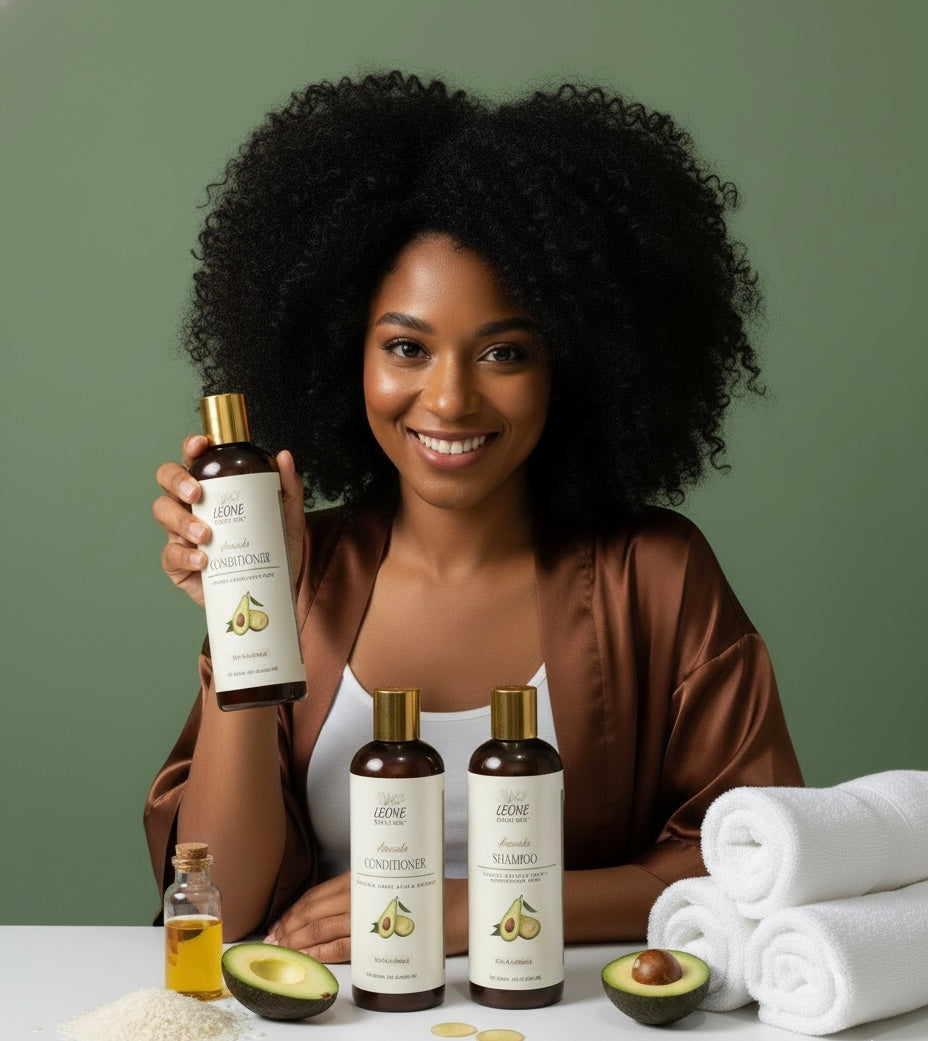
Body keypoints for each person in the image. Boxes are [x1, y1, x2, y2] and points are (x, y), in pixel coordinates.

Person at [146, 71, 803, 962]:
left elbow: (753, 864)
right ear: (349, 354)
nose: (449, 398)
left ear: (572, 359)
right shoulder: (302, 571)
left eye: (504, 350)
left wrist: (465, 906)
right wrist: (247, 622)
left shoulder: (656, 573)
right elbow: (216, 908)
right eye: (407, 347)